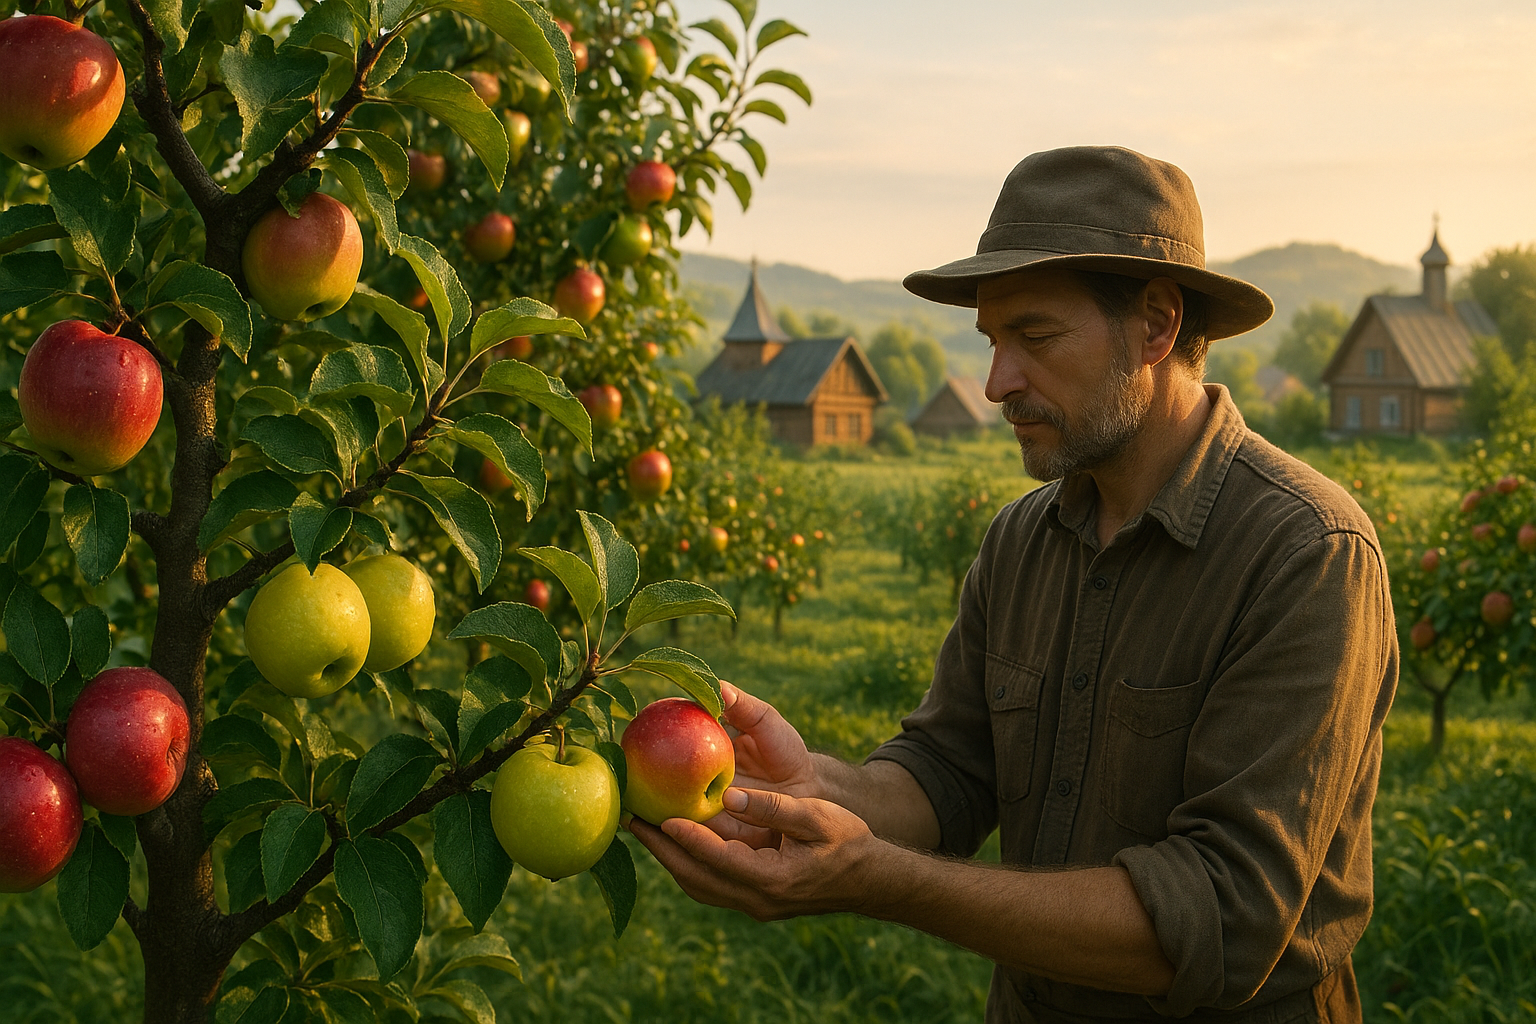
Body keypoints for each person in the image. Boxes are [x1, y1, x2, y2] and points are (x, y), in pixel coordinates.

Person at [627, 146, 1398, 1023]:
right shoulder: (1021, 543)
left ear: (1155, 326)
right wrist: (823, 790)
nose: (997, 383)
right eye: (994, 342)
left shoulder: (1305, 552)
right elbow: (951, 772)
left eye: (1035, 337)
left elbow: (1224, 916)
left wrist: (886, 883)